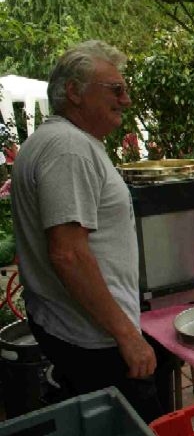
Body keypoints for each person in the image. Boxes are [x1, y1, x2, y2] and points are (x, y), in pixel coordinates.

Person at [10, 41, 165, 423]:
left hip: (74, 327)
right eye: (116, 89)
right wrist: (127, 335)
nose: (126, 100)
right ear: (74, 92)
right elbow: (68, 254)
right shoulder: (69, 149)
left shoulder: (58, 141)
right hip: (94, 338)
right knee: (136, 426)